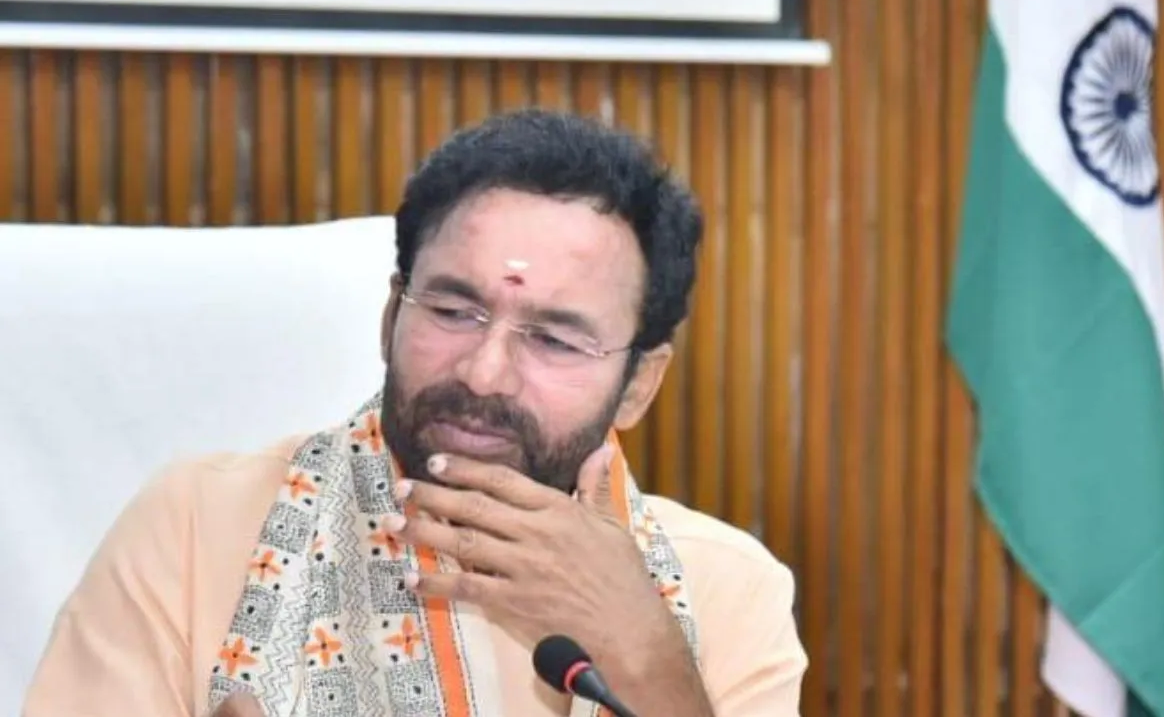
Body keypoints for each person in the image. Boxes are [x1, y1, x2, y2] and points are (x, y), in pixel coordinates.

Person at [23, 109, 807, 716]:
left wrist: (646, 656)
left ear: (639, 385)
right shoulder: (194, 526)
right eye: (454, 311)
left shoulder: (728, 586)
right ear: (390, 315)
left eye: (553, 340)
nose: (484, 372)